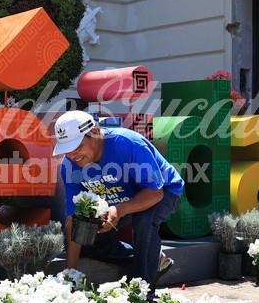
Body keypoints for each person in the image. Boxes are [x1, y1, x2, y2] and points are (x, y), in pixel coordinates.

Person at [53, 109, 184, 293]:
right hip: (117, 203)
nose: (73, 155)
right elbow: (74, 219)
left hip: (162, 191)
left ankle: (141, 292)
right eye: (67, 150)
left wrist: (120, 210)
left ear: (96, 133)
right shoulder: (69, 167)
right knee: (86, 238)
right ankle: (154, 259)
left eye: (77, 147)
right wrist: (70, 274)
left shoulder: (128, 144)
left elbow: (156, 193)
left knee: (144, 219)